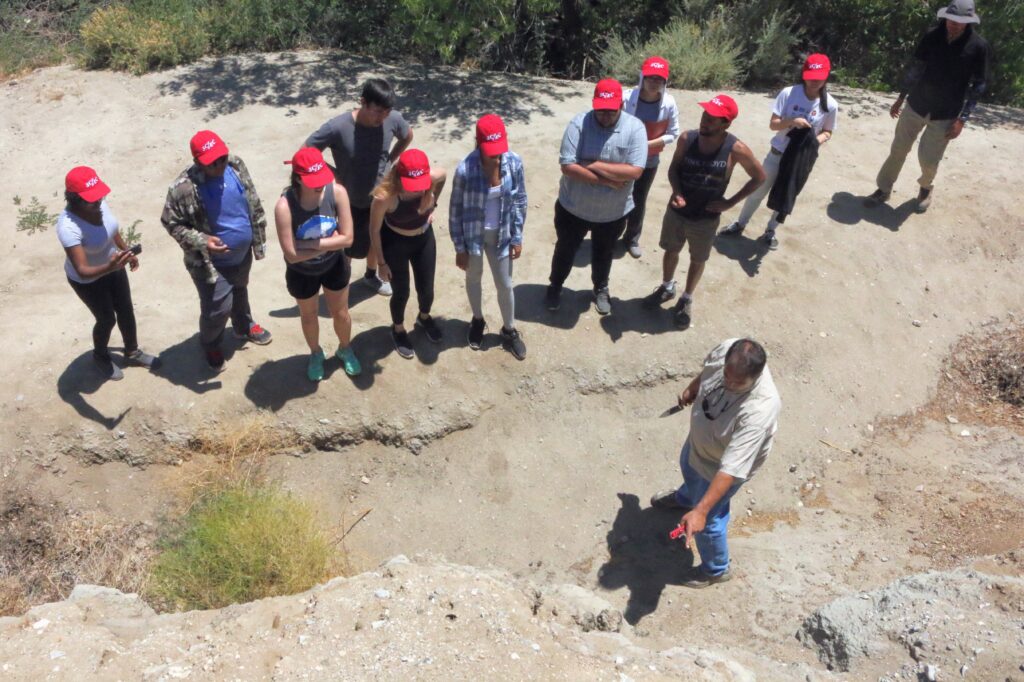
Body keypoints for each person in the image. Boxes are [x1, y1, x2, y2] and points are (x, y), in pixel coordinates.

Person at [650, 338, 781, 588]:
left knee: (710, 522)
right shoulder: (726, 350)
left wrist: (701, 512)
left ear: (756, 376)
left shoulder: (760, 410)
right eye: (727, 376)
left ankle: (716, 569)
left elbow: (731, 469)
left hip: (720, 468)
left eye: (738, 383)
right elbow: (708, 372)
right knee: (689, 470)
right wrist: (693, 387)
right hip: (700, 444)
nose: (729, 384)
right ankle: (687, 499)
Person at [645, 95, 765, 329]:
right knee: (671, 250)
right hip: (677, 211)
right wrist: (677, 192)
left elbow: (759, 177)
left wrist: (729, 203)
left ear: (726, 124)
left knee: (697, 259)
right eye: (704, 115)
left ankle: (686, 298)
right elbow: (673, 170)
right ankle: (667, 286)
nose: (705, 121)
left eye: (712, 119)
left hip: (706, 219)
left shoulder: (736, 149)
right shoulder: (687, 139)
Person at [161, 130, 272, 373]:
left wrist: (257, 238)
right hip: (209, 262)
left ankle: (243, 325)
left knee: (240, 288)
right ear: (198, 161)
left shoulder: (236, 165)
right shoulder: (183, 188)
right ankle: (210, 342)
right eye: (213, 162)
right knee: (218, 308)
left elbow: (252, 200)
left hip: (242, 254)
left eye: (222, 157)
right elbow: (171, 222)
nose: (220, 164)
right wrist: (202, 239)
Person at [865, 0, 991, 213]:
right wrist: (900, 97)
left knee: (929, 159)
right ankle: (883, 189)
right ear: (946, 17)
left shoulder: (978, 47)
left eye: (960, 21)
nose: (954, 24)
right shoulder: (932, 36)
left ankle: (925, 188)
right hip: (916, 104)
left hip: (946, 113)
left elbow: (980, 84)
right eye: (952, 19)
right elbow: (916, 68)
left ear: (969, 22)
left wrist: (962, 119)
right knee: (898, 149)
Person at [546, 78, 648, 316]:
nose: (603, 116)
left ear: (621, 106)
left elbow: (635, 170)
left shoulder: (635, 129)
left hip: (613, 212)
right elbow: (568, 166)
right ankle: (555, 285)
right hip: (573, 208)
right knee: (565, 250)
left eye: (610, 112)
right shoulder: (578, 124)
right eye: (599, 110)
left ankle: (601, 288)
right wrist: (608, 180)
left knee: (604, 253)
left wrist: (592, 163)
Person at [306, 78, 415, 296]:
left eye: (386, 112)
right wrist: (332, 175)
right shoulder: (338, 127)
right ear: (363, 102)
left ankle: (370, 275)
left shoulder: (392, 119)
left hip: (381, 196)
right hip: (351, 198)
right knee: (347, 245)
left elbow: (407, 135)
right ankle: (341, 282)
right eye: (377, 111)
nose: (382, 117)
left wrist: (391, 159)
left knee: (377, 239)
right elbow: (306, 152)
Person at [720, 54, 839, 249]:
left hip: (800, 159)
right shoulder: (789, 93)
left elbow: (828, 131)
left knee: (786, 195)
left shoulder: (830, 105)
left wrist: (814, 142)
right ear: (804, 74)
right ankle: (740, 223)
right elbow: (773, 124)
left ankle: (770, 230)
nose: (814, 81)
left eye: (819, 76)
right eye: (811, 76)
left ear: (826, 77)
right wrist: (792, 122)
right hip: (777, 154)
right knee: (758, 191)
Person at [58, 166, 159, 380]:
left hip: (113, 265)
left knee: (126, 310)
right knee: (106, 319)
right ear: (75, 200)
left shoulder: (97, 203)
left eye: (99, 196)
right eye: (92, 200)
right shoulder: (68, 227)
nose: (99, 202)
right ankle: (100, 356)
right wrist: (110, 266)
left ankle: (132, 352)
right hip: (89, 280)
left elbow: (112, 230)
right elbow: (83, 270)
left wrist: (126, 251)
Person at [275, 148, 361, 381]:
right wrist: (331, 242)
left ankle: (345, 347)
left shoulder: (338, 193)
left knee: (340, 313)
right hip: (302, 273)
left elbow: (349, 239)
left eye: (322, 178)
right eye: (313, 181)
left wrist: (309, 244)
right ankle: (316, 353)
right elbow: (292, 256)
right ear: (298, 178)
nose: (320, 185)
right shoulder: (285, 206)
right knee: (309, 316)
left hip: (334, 265)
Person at [449, 114, 528, 360]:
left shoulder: (514, 164)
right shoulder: (465, 170)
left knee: (504, 283)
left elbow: (520, 201)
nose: (496, 155)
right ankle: (477, 319)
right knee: (474, 278)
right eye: (490, 150)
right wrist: (459, 247)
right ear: (479, 143)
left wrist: (517, 236)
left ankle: (509, 328)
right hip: (473, 237)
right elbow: (455, 211)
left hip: (502, 235)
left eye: (498, 149)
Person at [369, 149, 447, 359]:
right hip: (395, 242)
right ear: (398, 176)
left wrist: (432, 205)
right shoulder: (385, 196)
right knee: (401, 292)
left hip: (423, 239)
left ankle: (424, 316)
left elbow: (443, 175)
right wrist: (382, 263)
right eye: (410, 185)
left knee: (427, 288)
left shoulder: (430, 179)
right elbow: (374, 229)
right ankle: (398, 329)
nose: (416, 190)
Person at [621, 56, 680, 259]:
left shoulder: (669, 103)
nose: (654, 82)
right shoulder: (627, 98)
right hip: (624, 159)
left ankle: (632, 238)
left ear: (665, 82)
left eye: (659, 79)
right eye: (651, 77)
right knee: (619, 195)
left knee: (639, 199)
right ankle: (612, 234)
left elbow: (673, 133)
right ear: (642, 77)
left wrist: (646, 145)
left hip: (649, 160)